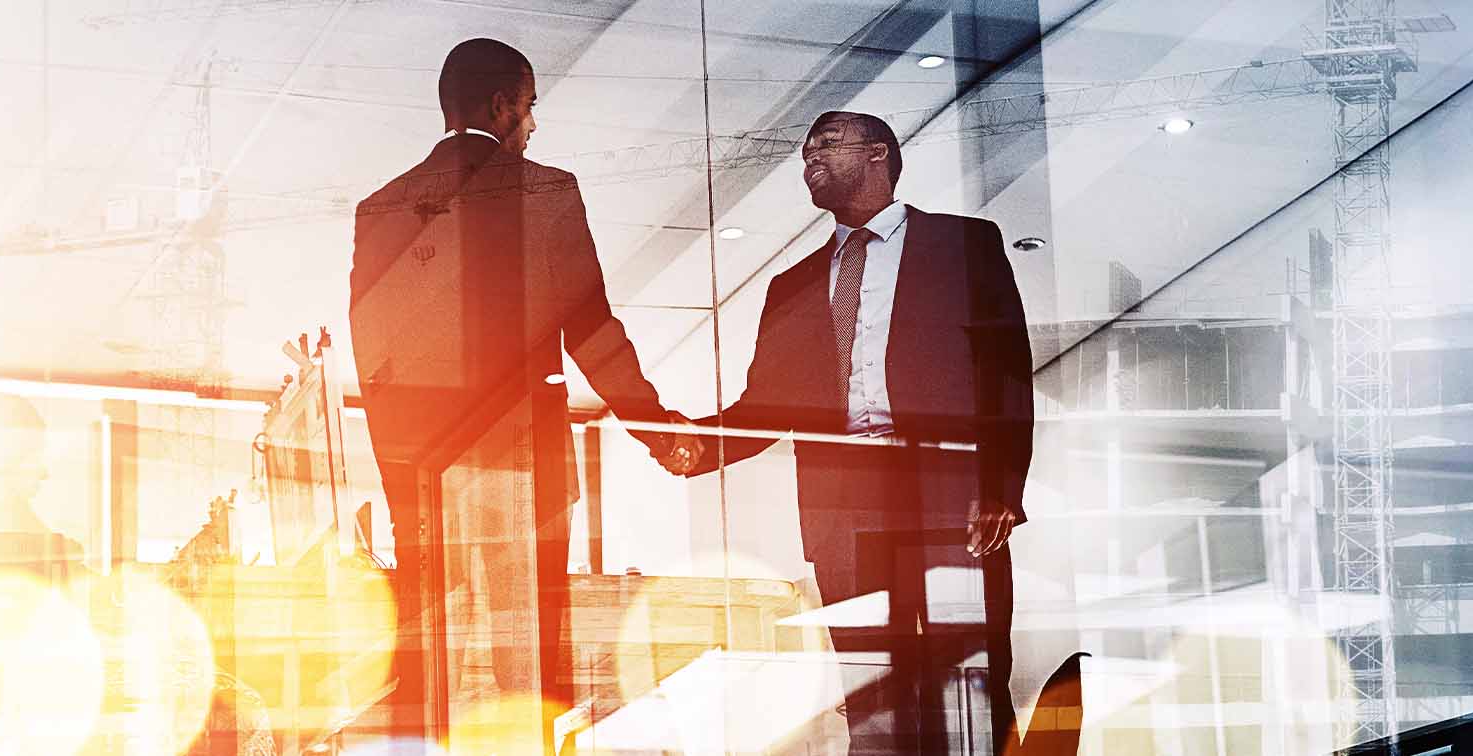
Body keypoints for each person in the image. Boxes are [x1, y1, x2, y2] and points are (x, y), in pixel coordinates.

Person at [348, 37, 701, 749]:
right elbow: (593, 331)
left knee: (431, 655)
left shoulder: (382, 206)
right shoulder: (545, 191)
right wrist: (657, 429)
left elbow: (373, 366)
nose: (533, 124)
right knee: (531, 656)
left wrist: (403, 489)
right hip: (522, 470)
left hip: (426, 481)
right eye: (532, 105)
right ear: (504, 104)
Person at [681, 111, 1034, 754]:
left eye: (827, 142)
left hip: (949, 493)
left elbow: (1006, 373)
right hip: (844, 505)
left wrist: (1003, 487)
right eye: (805, 148)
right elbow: (766, 407)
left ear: (880, 155)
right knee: (872, 690)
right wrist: (694, 443)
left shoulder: (964, 245)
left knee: (973, 679)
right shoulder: (792, 287)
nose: (809, 154)